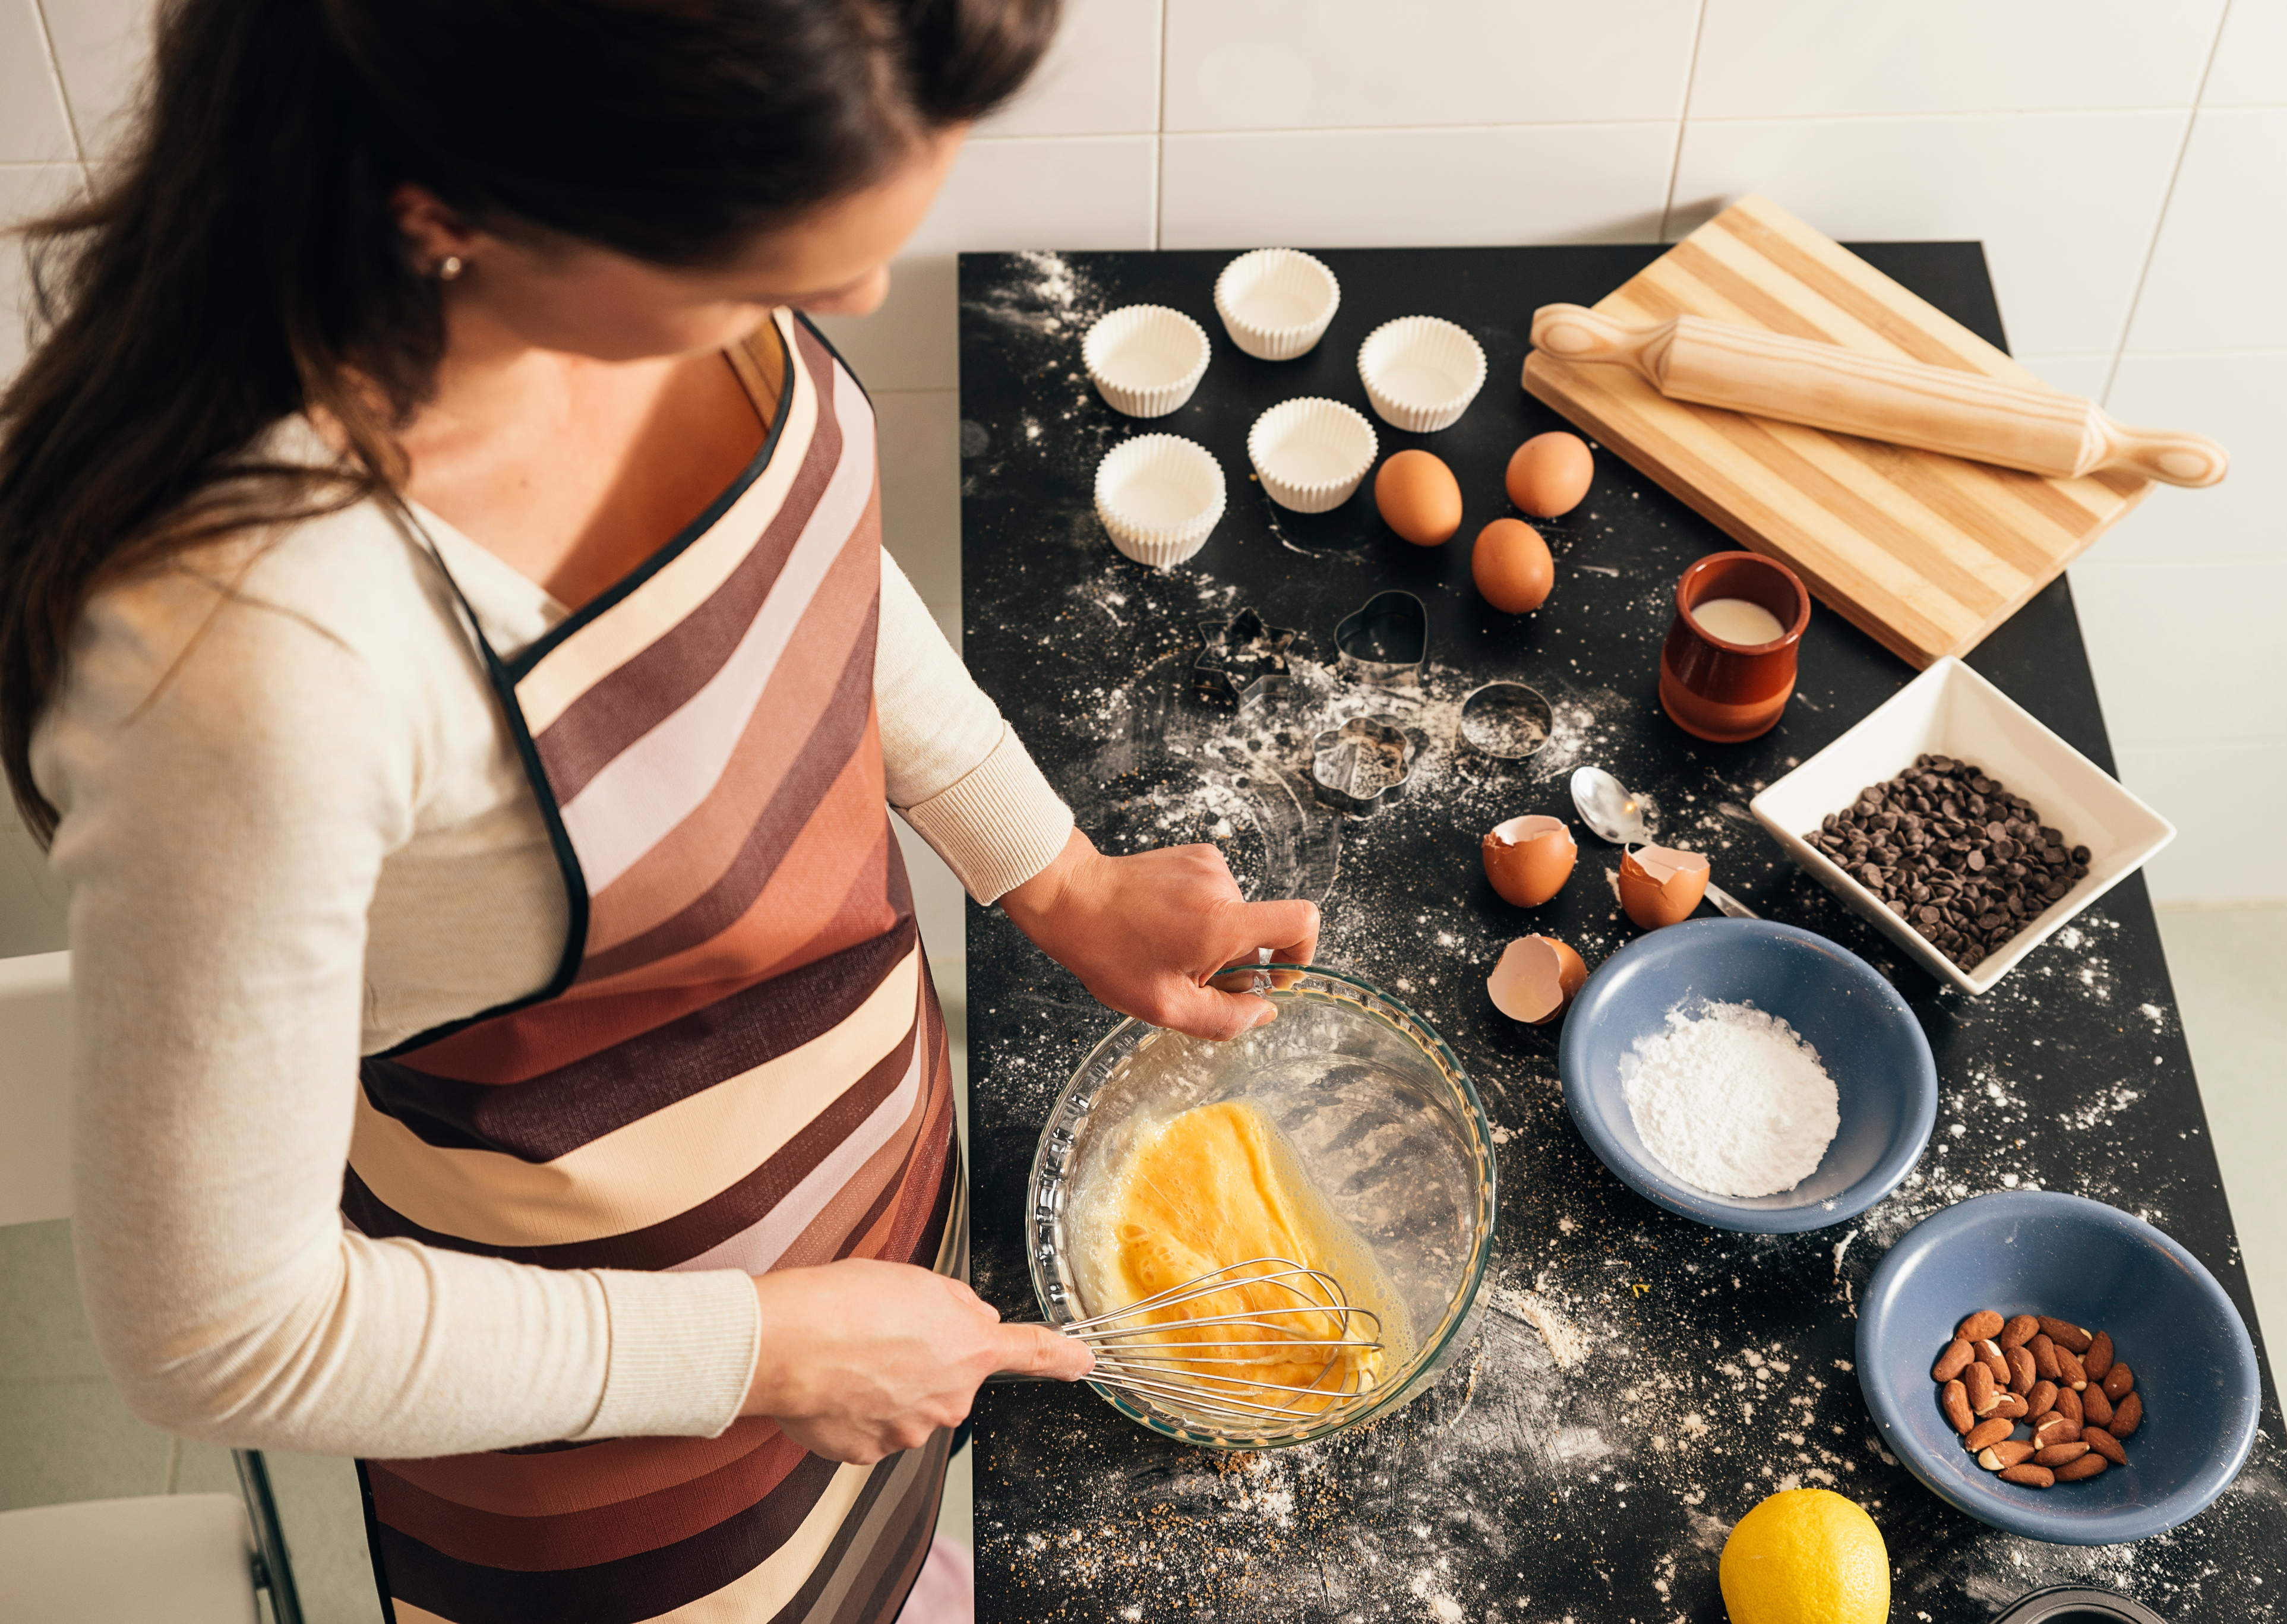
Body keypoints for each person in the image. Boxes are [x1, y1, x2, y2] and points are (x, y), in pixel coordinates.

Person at [0, 1, 1321, 1619]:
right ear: (453, 211)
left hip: (861, 1221)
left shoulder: (626, 240)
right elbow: (218, 1332)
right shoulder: (254, 657)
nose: (856, 297)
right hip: (619, 1442)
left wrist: (1054, 876)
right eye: (759, 271)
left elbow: (805, 554)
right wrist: (761, 1355)